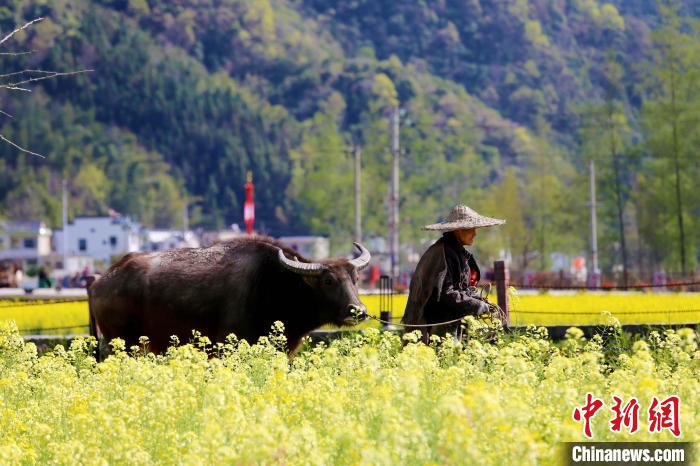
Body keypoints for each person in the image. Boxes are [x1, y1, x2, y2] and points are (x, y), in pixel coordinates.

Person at [402, 204, 505, 340]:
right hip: (434, 327)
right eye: (470, 229)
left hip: (449, 324)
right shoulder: (443, 253)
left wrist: (479, 302)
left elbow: (461, 290)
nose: (475, 233)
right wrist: (477, 305)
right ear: (458, 230)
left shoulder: (454, 251)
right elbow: (447, 293)